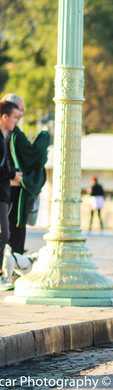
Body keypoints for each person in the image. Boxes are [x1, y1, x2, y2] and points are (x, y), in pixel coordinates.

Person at [1, 93, 49, 255]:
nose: (21, 115)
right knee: (11, 231)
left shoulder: (9, 131)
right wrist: (44, 137)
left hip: (8, 186)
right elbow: (33, 156)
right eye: (19, 111)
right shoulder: (12, 132)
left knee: (7, 230)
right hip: (12, 188)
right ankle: (10, 266)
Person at [0, 101, 23, 282]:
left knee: (5, 234)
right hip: (1, 193)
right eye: (15, 117)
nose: (17, 120)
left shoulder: (4, 136)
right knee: (4, 234)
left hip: (4, 193)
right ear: (5, 117)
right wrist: (12, 175)